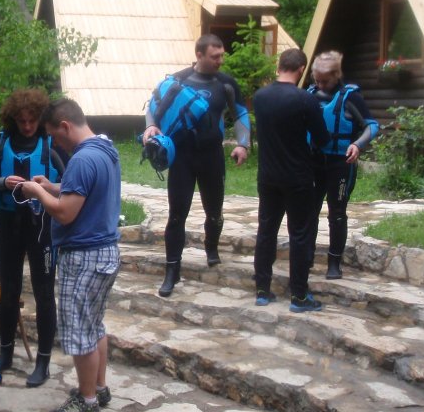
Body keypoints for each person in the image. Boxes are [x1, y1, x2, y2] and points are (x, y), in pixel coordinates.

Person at [20, 98, 121, 412]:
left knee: (78, 331)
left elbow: (65, 213)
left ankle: (87, 398)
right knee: (94, 326)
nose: (57, 145)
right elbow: (81, 190)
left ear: (65, 126)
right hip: (106, 253)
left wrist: (37, 193)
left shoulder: (81, 159)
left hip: (84, 257)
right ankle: (100, 387)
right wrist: (52, 186)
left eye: (55, 137)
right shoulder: (105, 149)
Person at [143, 34, 250, 298]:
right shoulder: (177, 81)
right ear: (199, 55)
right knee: (176, 215)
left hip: (212, 156)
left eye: (222, 55)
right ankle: (172, 271)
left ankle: (211, 246)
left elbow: (241, 113)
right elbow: (152, 106)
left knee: (214, 211)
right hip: (183, 157)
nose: (220, 61)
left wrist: (243, 143)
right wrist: (151, 125)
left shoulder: (225, 83)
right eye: (215, 56)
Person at [0, 89, 65, 386]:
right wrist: (3, 181)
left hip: (42, 227)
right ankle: (6, 354)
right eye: (21, 121)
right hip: (8, 224)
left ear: (40, 118)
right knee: (10, 290)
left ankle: (43, 362)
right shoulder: (2, 142)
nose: (27, 126)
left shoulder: (51, 143)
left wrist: (46, 186)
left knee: (43, 293)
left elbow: (70, 184)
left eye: (32, 120)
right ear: (13, 119)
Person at [251, 48, 332, 313]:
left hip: (267, 176)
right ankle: (298, 296)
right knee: (299, 235)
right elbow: (322, 139)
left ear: (279, 66)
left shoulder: (260, 97)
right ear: (301, 70)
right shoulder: (304, 100)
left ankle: (262, 290)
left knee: (266, 231)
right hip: (297, 177)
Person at [307, 51, 379, 279]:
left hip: (340, 162)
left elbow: (372, 126)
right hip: (314, 161)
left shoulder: (351, 98)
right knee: (309, 211)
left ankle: (334, 263)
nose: (320, 84)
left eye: (325, 81)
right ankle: (306, 257)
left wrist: (357, 145)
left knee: (337, 212)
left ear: (336, 75)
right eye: (316, 80)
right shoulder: (309, 95)